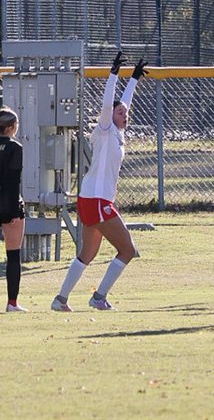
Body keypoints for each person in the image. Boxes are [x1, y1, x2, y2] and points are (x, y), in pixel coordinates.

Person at [52, 52, 146, 313]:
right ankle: (98, 297)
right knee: (127, 250)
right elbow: (110, 105)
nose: (124, 115)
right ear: (109, 115)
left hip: (94, 198)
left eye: (125, 113)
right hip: (97, 200)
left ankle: (60, 300)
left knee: (87, 253)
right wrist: (113, 75)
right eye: (120, 113)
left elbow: (122, 104)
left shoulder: (117, 131)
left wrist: (134, 79)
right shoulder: (104, 129)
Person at [0, 108, 25, 312]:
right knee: (13, 254)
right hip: (8, 204)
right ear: (11, 128)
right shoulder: (15, 147)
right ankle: (12, 303)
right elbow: (13, 181)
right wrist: (15, 212)